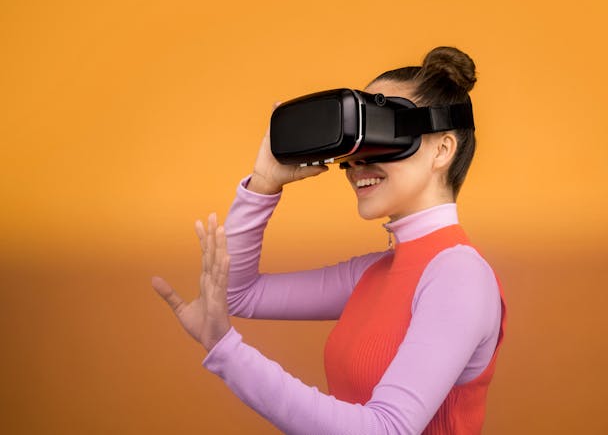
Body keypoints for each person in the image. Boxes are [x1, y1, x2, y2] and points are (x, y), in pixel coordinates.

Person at [152, 46, 507, 434]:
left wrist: (227, 351)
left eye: (381, 134)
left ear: (441, 150)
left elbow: (384, 430)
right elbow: (240, 294)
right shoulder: (375, 272)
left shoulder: (458, 275)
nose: (356, 163)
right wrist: (264, 183)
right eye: (353, 145)